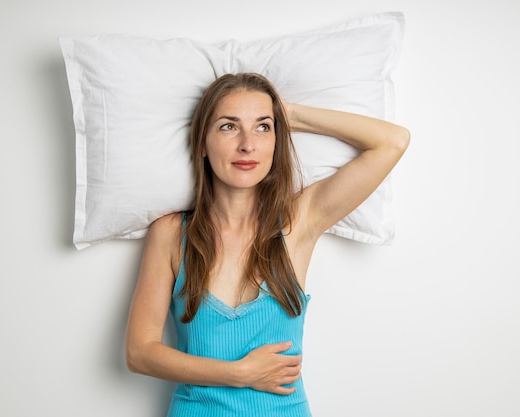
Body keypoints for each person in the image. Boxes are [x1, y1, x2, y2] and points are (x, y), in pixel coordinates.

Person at [125, 73, 409, 416]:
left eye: (263, 128)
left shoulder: (298, 222)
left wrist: (289, 115)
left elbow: (392, 141)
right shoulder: (170, 233)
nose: (248, 144)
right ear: (202, 143)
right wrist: (239, 374)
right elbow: (139, 352)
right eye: (228, 127)